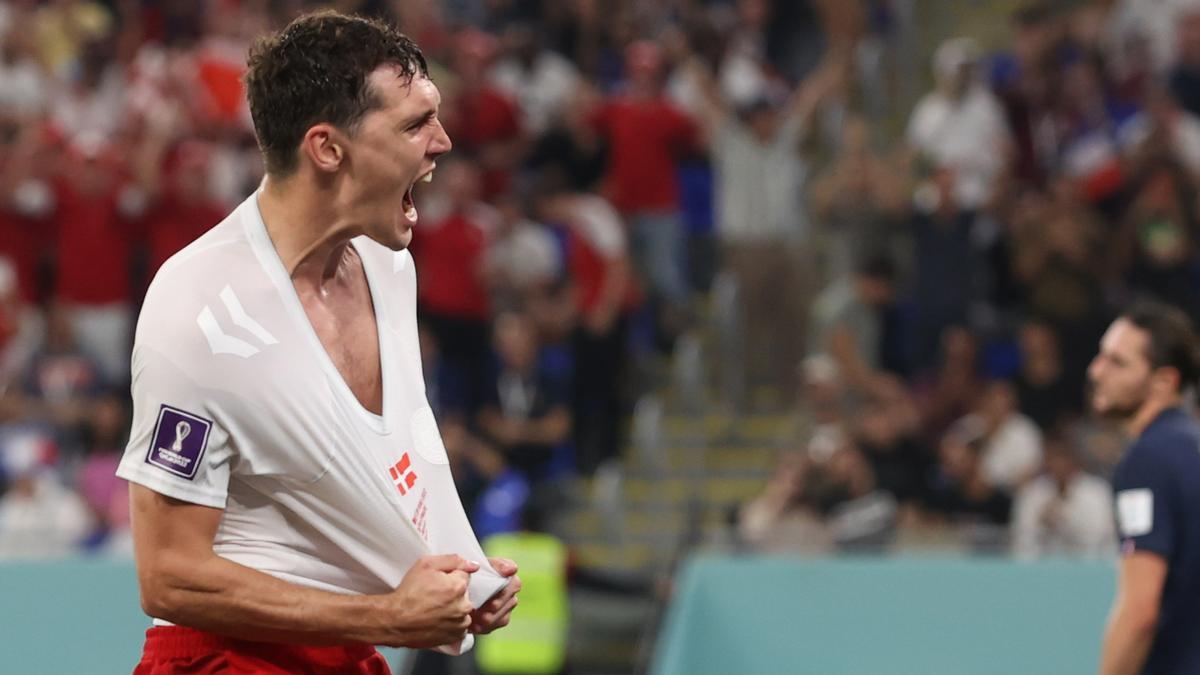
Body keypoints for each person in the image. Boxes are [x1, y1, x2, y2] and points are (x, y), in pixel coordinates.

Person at [116, 12, 520, 673]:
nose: (443, 141)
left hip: (349, 653)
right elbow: (168, 575)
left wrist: (460, 577)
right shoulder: (198, 309)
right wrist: (387, 615)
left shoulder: (390, 264)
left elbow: (395, 452)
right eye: (415, 124)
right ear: (328, 149)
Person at [1091, 301, 1200, 674]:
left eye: (1117, 363)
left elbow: (1140, 611)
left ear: (1164, 381)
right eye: (1101, 357)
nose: (1096, 372)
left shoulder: (1148, 462)